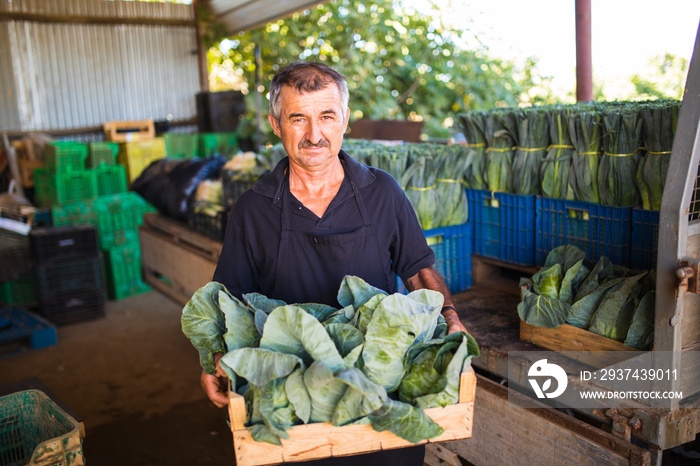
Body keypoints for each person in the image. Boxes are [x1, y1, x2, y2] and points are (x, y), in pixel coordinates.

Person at [202, 61, 467, 466]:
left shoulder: (382, 192)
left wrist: (449, 315)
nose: (314, 135)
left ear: (344, 119)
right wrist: (212, 358)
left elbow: (416, 267)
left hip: (381, 389)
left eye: (326, 116)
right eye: (298, 119)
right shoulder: (253, 208)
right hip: (296, 400)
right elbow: (229, 300)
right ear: (276, 124)